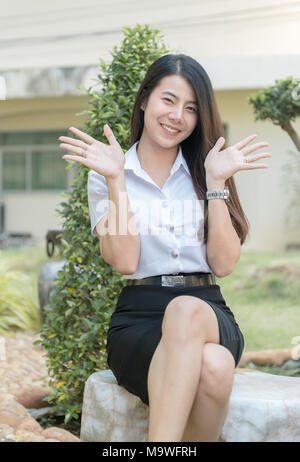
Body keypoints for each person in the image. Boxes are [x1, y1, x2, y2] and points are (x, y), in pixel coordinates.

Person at [58, 54, 271, 442]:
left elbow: (223, 264)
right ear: (144, 101)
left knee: (187, 310)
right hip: (140, 319)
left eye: (191, 108)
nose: (177, 116)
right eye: (168, 100)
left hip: (207, 311)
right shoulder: (108, 173)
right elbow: (124, 261)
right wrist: (116, 181)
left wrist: (217, 181)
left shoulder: (209, 170)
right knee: (216, 366)